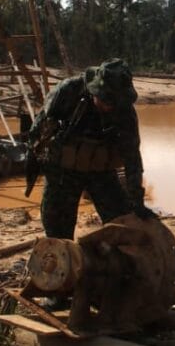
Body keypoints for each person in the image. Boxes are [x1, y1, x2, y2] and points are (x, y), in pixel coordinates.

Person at [27, 58, 156, 240]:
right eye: (105, 99)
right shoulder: (68, 91)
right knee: (57, 232)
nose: (108, 106)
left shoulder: (124, 112)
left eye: (113, 102)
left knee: (122, 223)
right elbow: (37, 130)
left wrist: (137, 201)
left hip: (100, 172)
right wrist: (33, 163)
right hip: (63, 171)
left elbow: (132, 157)